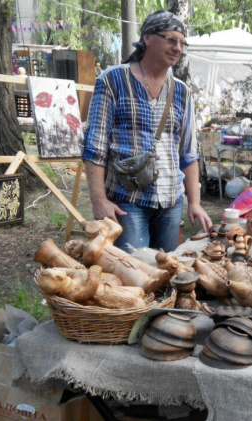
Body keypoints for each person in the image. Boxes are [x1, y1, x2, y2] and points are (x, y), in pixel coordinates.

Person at [83, 10, 212, 253]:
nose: (177, 47)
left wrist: (194, 203)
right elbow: (94, 146)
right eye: (170, 39)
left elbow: (189, 153)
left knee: (165, 274)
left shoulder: (182, 91)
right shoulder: (113, 80)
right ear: (147, 38)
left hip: (171, 203)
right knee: (133, 276)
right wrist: (99, 200)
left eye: (182, 42)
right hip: (127, 201)